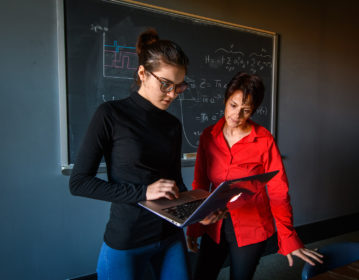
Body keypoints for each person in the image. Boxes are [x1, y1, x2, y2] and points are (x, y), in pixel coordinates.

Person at [69, 29, 191, 280]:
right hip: (127, 239)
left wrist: (198, 210)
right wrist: (143, 192)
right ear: (142, 73)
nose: (172, 94)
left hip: (171, 236)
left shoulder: (172, 125)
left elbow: (176, 184)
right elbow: (79, 182)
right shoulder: (110, 114)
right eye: (166, 84)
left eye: (179, 87)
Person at [186, 72, 323, 280]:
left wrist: (288, 237)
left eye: (246, 110)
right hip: (214, 222)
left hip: (252, 225)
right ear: (226, 99)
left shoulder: (264, 140)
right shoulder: (208, 136)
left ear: (254, 110)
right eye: (233, 105)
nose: (236, 115)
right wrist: (194, 227)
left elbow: (279, 192)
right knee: (202, 275)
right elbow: (200, 184)